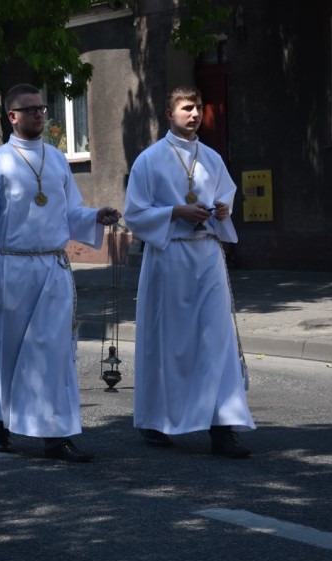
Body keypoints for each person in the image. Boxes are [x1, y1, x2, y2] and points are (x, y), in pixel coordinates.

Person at [0, 83, 121, 463]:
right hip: (10, 270)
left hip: (52, 268)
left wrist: (94, 217)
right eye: (29, 109)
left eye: (42, 108)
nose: (39, 114)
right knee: (9, 351)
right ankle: (1, 424)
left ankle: (57, 435)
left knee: (54, 353)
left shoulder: (56, 160)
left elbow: (70, 212)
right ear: (11, 116)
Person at [124, 86, 255, 458]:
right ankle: (155, 420)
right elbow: (134, 213)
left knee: (218, 339)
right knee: (168, 340)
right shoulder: (149, 160)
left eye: (197, 108)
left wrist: (224, 210)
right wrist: (175, 213)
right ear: (169, 114)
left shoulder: (211, 157)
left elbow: (226, 195)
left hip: (207, 255)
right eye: (186, 108)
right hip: (169, 257)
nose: (194, 114)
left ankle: (223, 426)